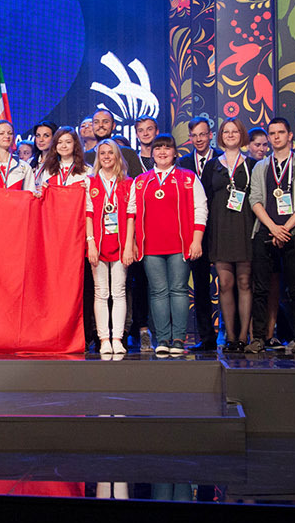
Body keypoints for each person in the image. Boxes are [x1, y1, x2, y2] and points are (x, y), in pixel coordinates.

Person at [128, 135, 206, 355]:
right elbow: (131, 213)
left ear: (175, 152)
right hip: (150, 246)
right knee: (158, 292)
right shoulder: (141, 181)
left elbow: (201, 208)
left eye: (167, 148)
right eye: (158, 148)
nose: (162, 152)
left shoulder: (188, 178)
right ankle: (162, 339)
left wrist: (197, 240)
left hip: (180, 244)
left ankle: (178, 339)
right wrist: (132, 243)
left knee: (178, 290)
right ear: (152, 153)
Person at [246, 118, 295, 356]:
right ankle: (258, 338)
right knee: (261, 288)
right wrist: (273, 228)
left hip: (293, 232)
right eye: (272, 133)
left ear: (290, 135)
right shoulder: (261, 166)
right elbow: (254, 199)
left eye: (281, 132)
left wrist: (284, 228)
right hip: (265, 231)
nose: (276, 137)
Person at [205, 118, 254, 352]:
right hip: (220, 229)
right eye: (226, 131)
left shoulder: (253, 165)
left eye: (235, 131)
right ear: (220, 136)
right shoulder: (212, 165)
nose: (231, 135)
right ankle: (230, 337)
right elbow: (204, 200)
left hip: (245, 227)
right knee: (225, 284)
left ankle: (244, 337)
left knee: (244, 282)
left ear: (242, 134)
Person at [85, 139, 136, 357]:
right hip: (98, 244)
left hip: (120, 243)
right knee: (101, 292)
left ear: (117, 156)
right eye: (102, 153)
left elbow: (131, 216)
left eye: (110, 153)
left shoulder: (128, 183)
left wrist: (129, 246)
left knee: (119, 292)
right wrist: (90, 242)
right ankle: (104, 339)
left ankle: (117, 339)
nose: (106, 157)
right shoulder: (90, 182)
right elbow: (88, 215)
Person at [176, 116, 220, 350]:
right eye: (194, 136)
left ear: (211, 135)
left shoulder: (223, 159)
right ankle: (206, 337)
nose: (199, 139)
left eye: (203, 134)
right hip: (194, 234)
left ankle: (236, 336)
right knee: (200, 287)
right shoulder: (183, 163)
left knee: (231, 284)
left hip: (222, 230)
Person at [85, 109, 143, 176]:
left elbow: (138, 180)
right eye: (96, 122)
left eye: (105, 122)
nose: (100, 125)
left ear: (113, 126)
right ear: (92, 126)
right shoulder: (86, 157)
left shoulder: (128, 153)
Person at [36, 126, 89, 191]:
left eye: (68, 142)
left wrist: (87, 190)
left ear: (75, 144)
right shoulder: (48, 169)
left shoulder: (86, 170)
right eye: (59, 142)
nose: (63, 146)